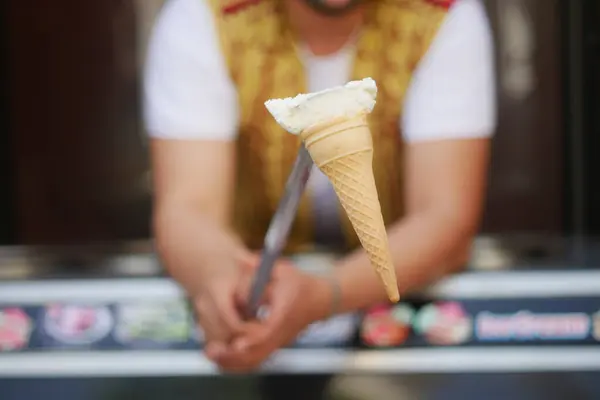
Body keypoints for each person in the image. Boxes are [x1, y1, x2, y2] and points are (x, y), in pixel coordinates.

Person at [144, 0, 495, 392]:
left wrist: (325, 295)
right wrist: (218, 279)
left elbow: (445, 217)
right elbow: (188, 210)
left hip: (403, 317)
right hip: (253, 305)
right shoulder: (203, 12)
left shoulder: (443, 13)